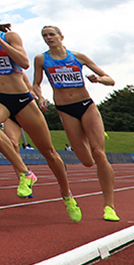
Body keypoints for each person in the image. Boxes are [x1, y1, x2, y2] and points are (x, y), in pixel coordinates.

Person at [0, 5, 80, 222]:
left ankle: (67, 194)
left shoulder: (9, 36)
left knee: (49, 152)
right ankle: (24, 172)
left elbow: (23, 62)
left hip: (21, 100)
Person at [33, 25, 120, 222]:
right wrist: (40, 97)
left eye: (51, 34)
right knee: (87, 161)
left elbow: (110, 80)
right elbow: (36, 84)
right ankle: (93, 136)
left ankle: (109, 206)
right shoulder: (41, 59)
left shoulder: (78, 57)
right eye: (44, 36)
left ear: (61, 36)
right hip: (65, 110)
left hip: (86, 105)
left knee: (99, 154)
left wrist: (97, 79)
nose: (48, 38)